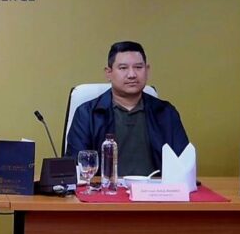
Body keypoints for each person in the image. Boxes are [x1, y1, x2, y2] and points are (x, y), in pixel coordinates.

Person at [66, 41, 189, 176]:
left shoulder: (166, 113)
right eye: (123, 68)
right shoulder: (87, 114)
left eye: (138, 67)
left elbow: (182, 164)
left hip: (155, 188)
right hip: (105, 188)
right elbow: (77, 167)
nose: (132, 74)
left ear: (147, 70)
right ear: (108, 73)